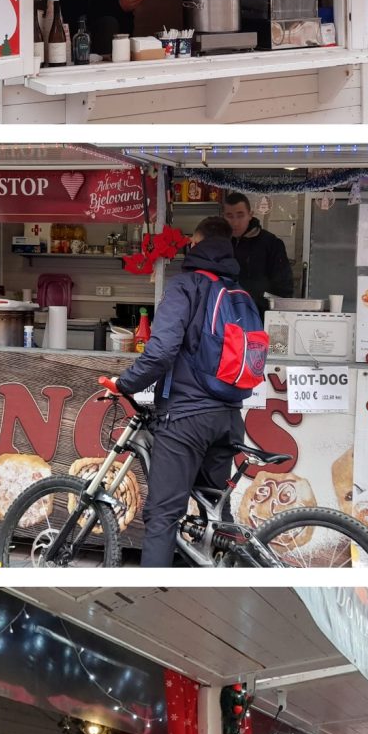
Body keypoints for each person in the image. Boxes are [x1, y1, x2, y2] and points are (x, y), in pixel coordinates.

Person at [107, 217, 256, 567]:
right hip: (229, 418)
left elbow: (160, 352)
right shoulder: (240, 294)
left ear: (195, 243)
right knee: (214, 516)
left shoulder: (186, 286)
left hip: (186, 419)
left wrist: (124, 384)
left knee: (163, 517)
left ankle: (150, 604)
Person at [220, 192, 296, 301]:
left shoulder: (271, 243)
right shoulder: (219, 244)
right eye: (229, 216)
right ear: (223, 216)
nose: (235, 223)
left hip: (260, 313)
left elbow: (284, 288)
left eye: (240, 215)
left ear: (250, 215)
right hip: (226, 312)